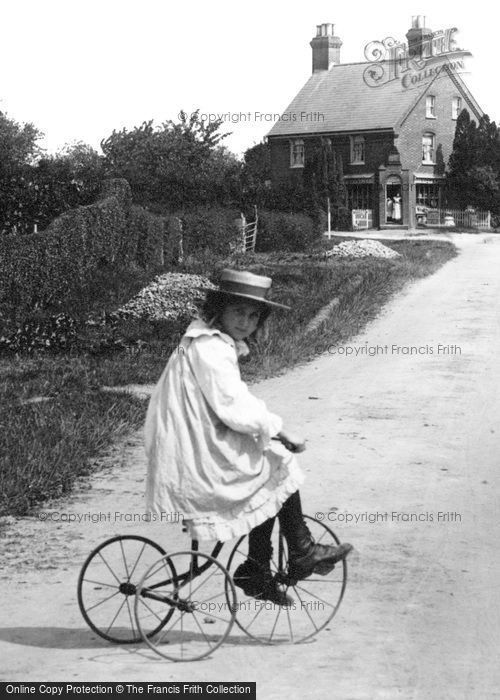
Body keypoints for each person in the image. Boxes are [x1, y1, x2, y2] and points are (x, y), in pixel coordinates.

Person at [144, 269, 352, 606]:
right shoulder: (210, 348)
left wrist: (269, 430)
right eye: (238, 312)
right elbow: (233, 406)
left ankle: (259, 567)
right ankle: (297, 552)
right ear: (220, 309)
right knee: (277, 465)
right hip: (195, 453)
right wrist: (280, 430)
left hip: (196, 439)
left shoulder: (204, 341)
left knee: (267, 471)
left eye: (253, 315)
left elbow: (233, 402)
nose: (245, 322)